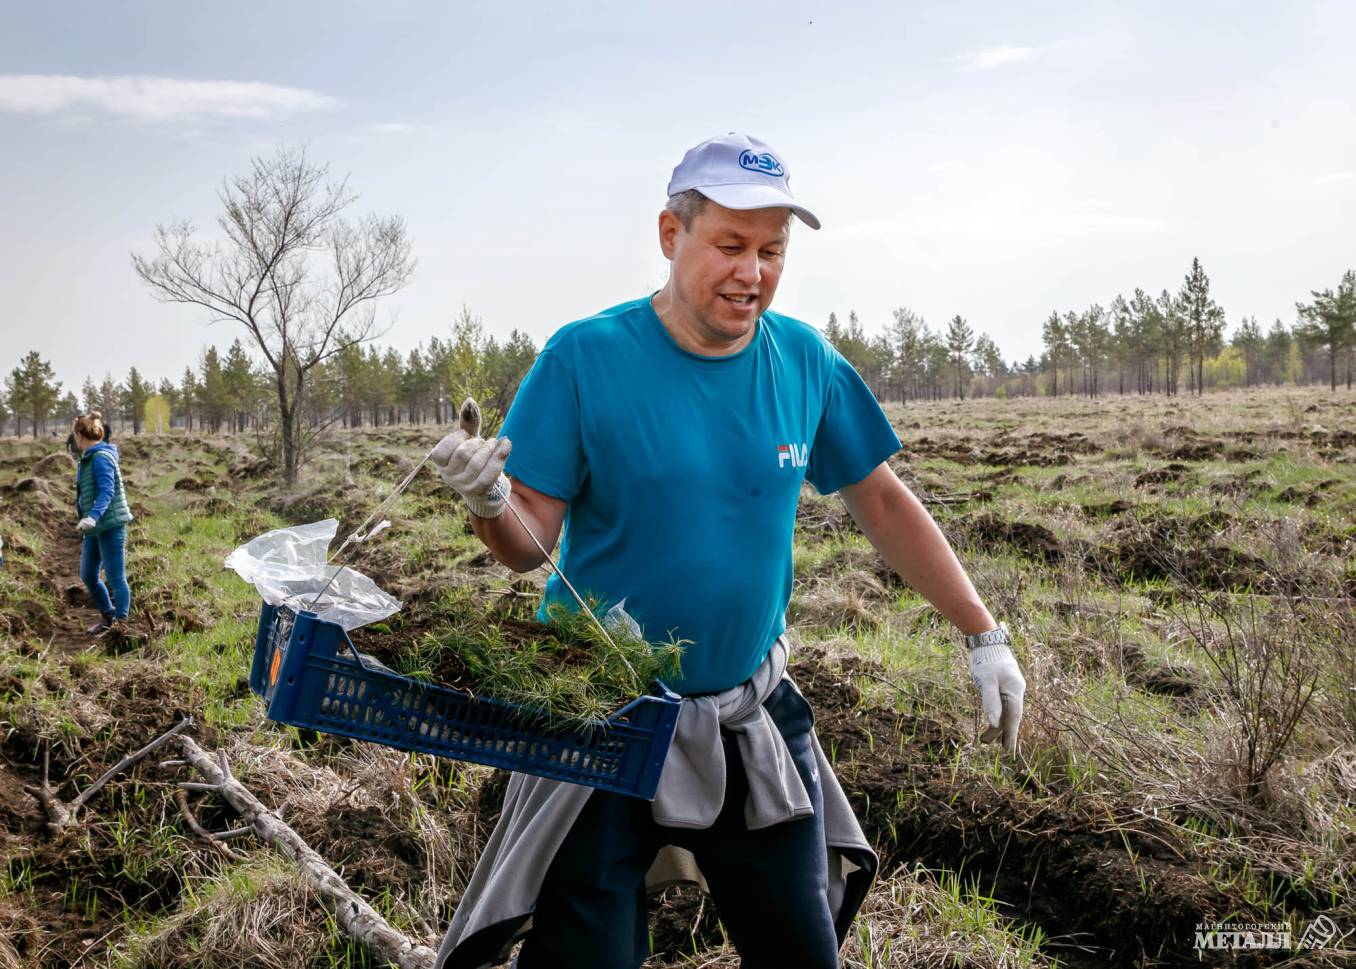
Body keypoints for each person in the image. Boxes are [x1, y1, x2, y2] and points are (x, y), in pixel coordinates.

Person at [428, 133, 1027, 969]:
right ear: (672, 236)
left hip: (747, 712)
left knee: (801, 950)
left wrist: (980, 629)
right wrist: (490, 501)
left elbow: (883, 500)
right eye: (732, 246)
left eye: (773, 251)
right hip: (600, 719)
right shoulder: (584, 358)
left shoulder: (804, 362)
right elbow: (529, 544)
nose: (753, 273)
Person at [72, 412, 133, 635]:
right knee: (88, 575)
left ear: (79, 435)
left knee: (116, 578)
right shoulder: (88, 459)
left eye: (74, 437)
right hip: (93, 529)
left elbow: (108, 490)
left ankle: (121, 626)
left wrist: (93, 516)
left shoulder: (101, 458)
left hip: (110, 526)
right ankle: (108, 615)